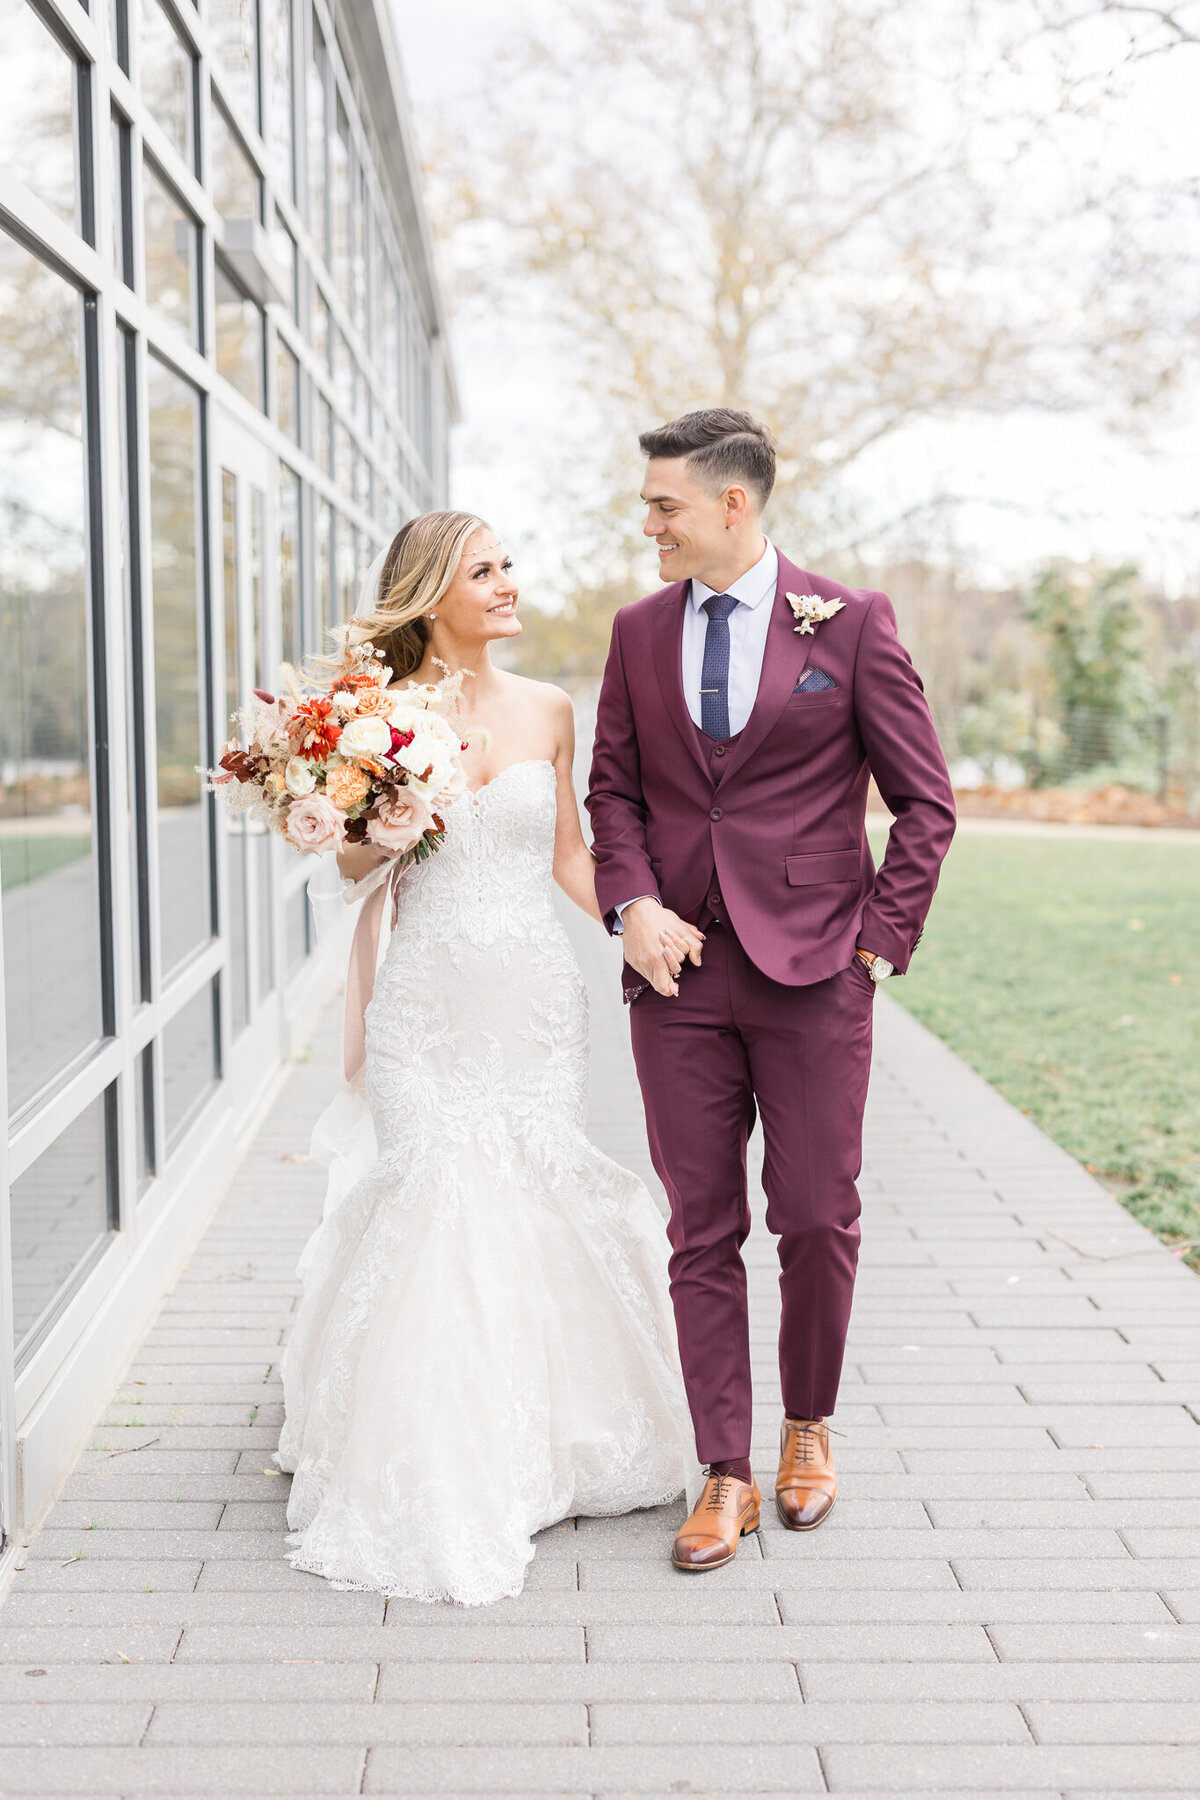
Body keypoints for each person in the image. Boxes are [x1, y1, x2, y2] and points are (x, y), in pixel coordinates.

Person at [277, 510, 696, 1606]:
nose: (510, 584)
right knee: (434, 1191)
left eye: (511, 564)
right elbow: (354, 862)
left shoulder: (552, 708)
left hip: (530, 1000)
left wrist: (635, 919)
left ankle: (548, 1435)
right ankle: (437, 1457)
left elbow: (567, 849)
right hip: (427, 1001)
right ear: (431, 591)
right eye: (485, 571)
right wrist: (376, 806)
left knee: (533, 1181)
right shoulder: (369, 715)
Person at [587, 409, 956, 1571]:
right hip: (678, 976)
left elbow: (926, 804)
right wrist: (632, 905)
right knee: (701, 1229)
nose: (648, 522)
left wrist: (877, 948)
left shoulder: (847, 626)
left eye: (664, 506)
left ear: (731, 506)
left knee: (813, 1215)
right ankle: (723, 1471)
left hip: (814, 975)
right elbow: (613, 796)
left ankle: (808, 1429)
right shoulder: (638, 631)